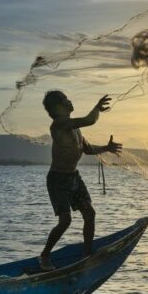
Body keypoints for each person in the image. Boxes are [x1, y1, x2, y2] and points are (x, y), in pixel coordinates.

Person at [38, 90, 122, 271]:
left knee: (89, 214)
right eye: (66, 100)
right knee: (65, 221)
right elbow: (90, 120)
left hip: (73, 177)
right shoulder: (59, 124)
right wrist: (97, 108)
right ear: (58, 107)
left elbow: (89, 149)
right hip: (58, 179)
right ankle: (45, 255)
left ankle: (86, 253)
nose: (70, 101)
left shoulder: (75, 128)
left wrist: (106, 148)